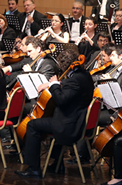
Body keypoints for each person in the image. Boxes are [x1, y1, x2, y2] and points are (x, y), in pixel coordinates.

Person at [15, 49, 94, 178]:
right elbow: (70, 86)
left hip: (69, 126)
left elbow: (61, 100)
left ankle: (34, 169)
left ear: (62, 65)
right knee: (50, 118)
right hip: (78, 121)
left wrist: (54, 85)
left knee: (32, 125)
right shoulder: (84, 75)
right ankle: (58, 164)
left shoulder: (74, 80)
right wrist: (55, 83)